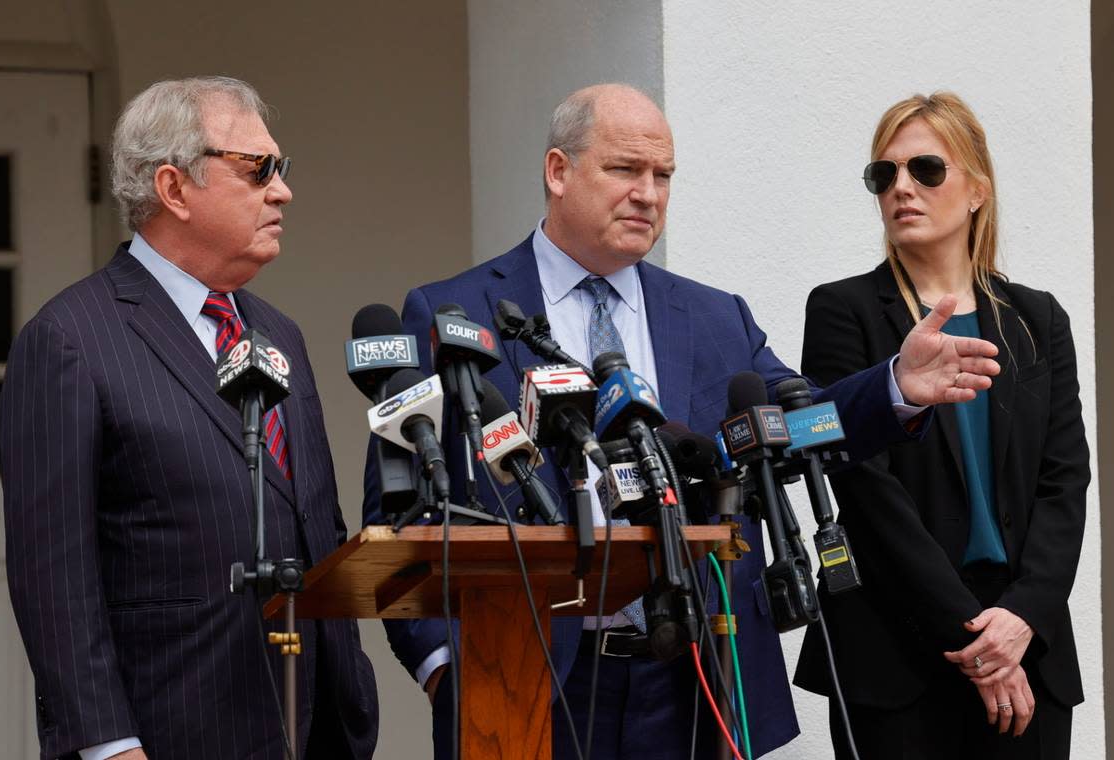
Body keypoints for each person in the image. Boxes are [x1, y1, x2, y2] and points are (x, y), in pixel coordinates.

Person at [363, 83, 1000, 760]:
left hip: (693, 675)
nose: (648, 194)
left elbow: (802, 427)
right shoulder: (451, 315)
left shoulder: (717, 318)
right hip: (521, 676)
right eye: (625, 170)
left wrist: (897, 385)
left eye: (663, 176)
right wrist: (443, 668)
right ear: (558, 171)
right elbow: (400, 511)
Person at [0, 76, 379, 759]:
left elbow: (315, 520)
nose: (282, 190)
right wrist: (108, 744)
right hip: (171, 728)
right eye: (257, 168)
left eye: (281, 170)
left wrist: (349, 686)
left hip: (312, 721)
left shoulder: (279, 334)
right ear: (174, 189)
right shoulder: (70, 338)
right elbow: (52, 575)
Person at [793, 91, 1088, 758]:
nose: (902, 188)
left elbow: (1065, 482)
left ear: (977, 190)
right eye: (884, 174)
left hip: (1025, 643)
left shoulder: (1037, 319)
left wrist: (1020, 621)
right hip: (898, 646)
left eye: (926, 169)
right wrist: (973, 639)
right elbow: (863, 488)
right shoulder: (844, 311)